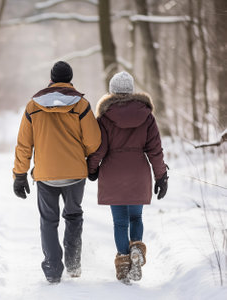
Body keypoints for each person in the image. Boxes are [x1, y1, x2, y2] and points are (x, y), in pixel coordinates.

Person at [12, 61, 101, 284]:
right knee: (73, 216)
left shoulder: (33, 106)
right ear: (70, 79)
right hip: (74, 174)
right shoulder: (81, 105)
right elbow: (94, 141)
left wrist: (20, 175)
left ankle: (52, 269)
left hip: (46, 176)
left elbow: (24, 145)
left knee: (48, 221)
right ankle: (73, 264)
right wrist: (85, 157)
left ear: (51, 79)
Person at [87, 71, 168, 284]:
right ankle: (137, 249)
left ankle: (123, 264)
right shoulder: (147, 116)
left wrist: (92, 168)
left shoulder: (104, 117)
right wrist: (161, 176)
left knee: (120, 222)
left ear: (112, 91)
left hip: (113, 173)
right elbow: (155, 150)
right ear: (131, 90)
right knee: (136, 218)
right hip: (138, 173)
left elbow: (99, 149)